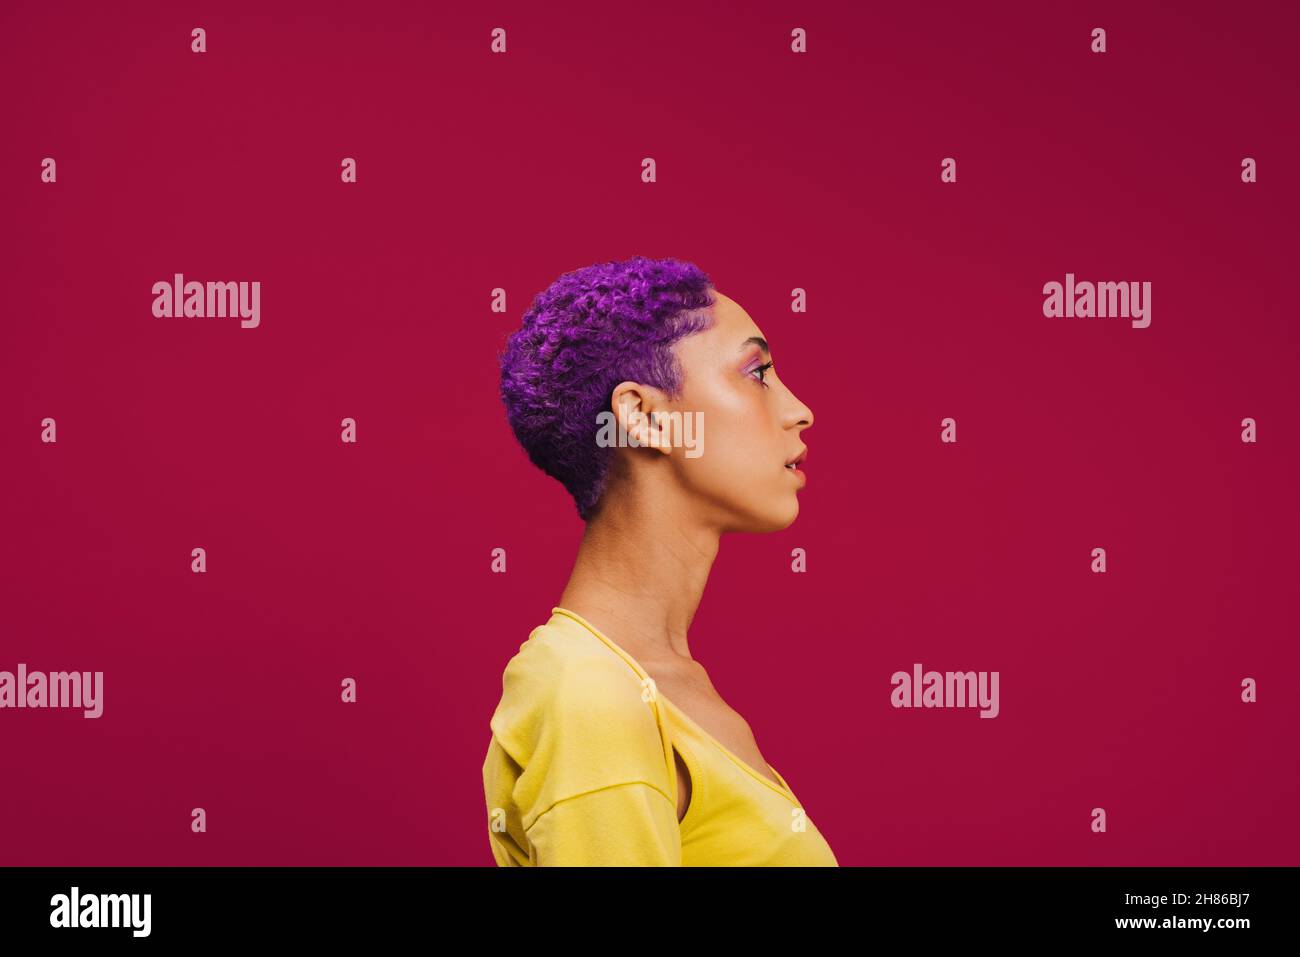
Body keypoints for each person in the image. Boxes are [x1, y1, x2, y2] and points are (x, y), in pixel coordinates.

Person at [483, 256, 836, 865]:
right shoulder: (593, 694)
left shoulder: (659, 685)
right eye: (758, 373)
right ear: (642, 417)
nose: (799, 410)